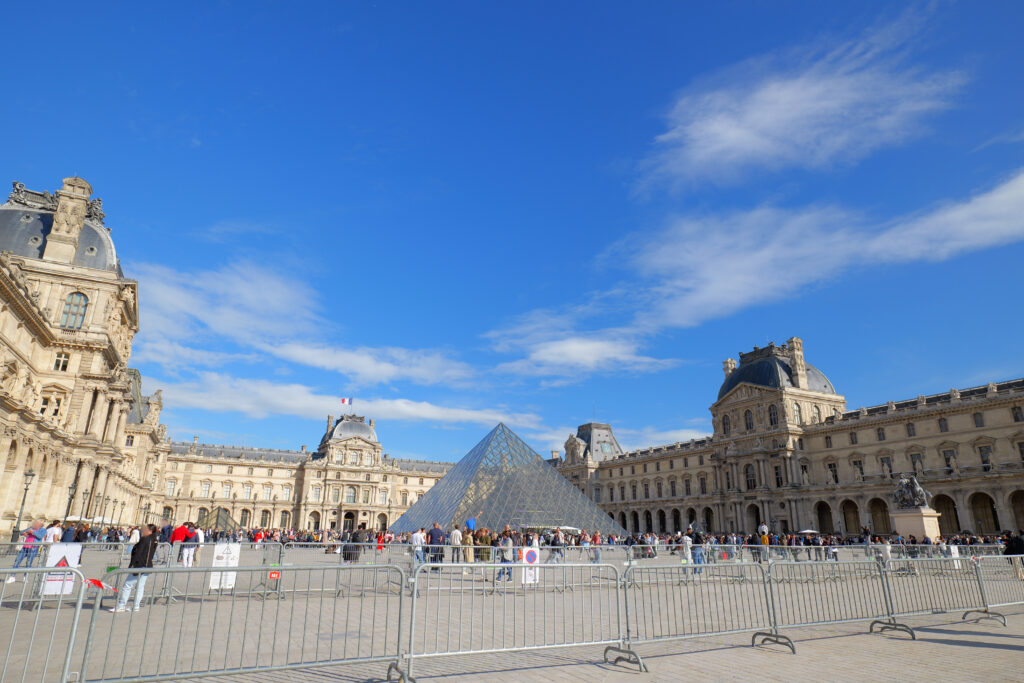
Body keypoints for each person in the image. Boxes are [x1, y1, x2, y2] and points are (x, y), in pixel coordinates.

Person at [110, 524, 158, 613]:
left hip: (139, 565)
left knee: (127, 585)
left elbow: (138, 553)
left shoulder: (145, 539)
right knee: (140, 587)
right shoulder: (154, 540)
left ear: (150, 531)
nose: (143, 531)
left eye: (145, 529)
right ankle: (136, 606)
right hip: (148, 566)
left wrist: (133, 565)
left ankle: (121, 605)